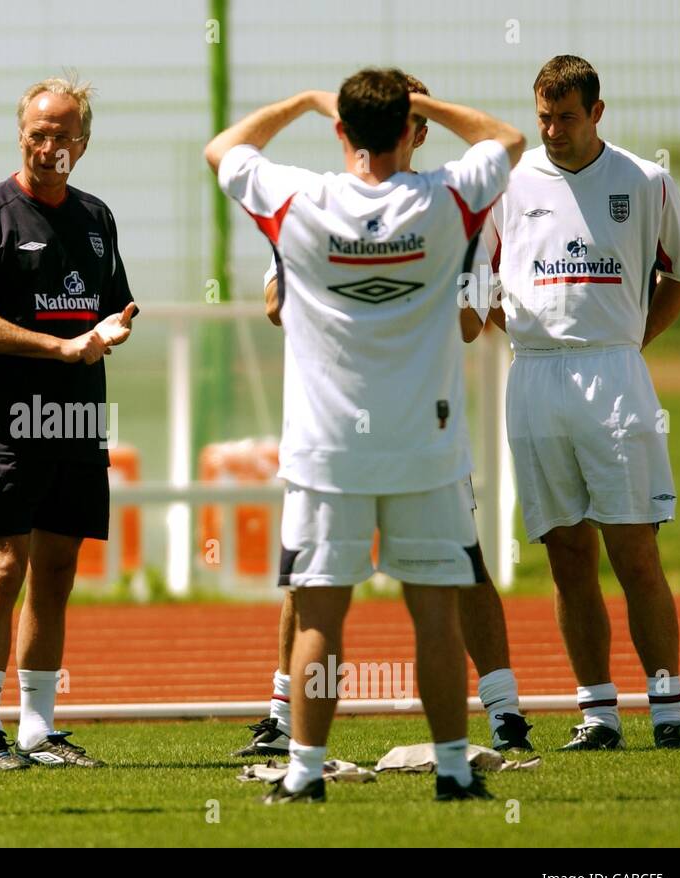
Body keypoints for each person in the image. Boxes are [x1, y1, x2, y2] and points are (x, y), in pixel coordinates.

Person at [206, 68, 525, 802]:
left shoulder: (301, 201)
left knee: (320, 614)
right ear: (409, 124)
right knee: (436, 613)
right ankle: (452, 769)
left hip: (327, 451)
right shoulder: (447, 198)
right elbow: (507, 139)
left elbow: (223, 148)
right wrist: (431, 105)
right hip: (425, 444)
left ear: (341, 130)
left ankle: (305, 773)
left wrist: (301, 102)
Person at [482, 55, 680, 750]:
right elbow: (476, 284)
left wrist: (634, 337)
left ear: (597, 113)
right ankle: (597, 712)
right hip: (536, 377)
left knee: (634, 548)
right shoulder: (507, 187)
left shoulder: (644, 179)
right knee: (565, 553)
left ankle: (668, 708)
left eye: (566, 117)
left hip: (615, 375)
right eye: (543, 116)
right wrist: (518, 333)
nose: (552, 130)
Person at [0, 76, 136, 771]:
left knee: (57, 570)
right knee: (4, 569)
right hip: (4, 425)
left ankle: (37, 727)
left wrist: (113, 327)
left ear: (82, 143)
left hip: (78, 419)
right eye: (37, 130)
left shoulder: (96, 217)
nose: (47, 142)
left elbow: (113, 305)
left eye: (61, 133)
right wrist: (59, 346)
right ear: (21, 133)